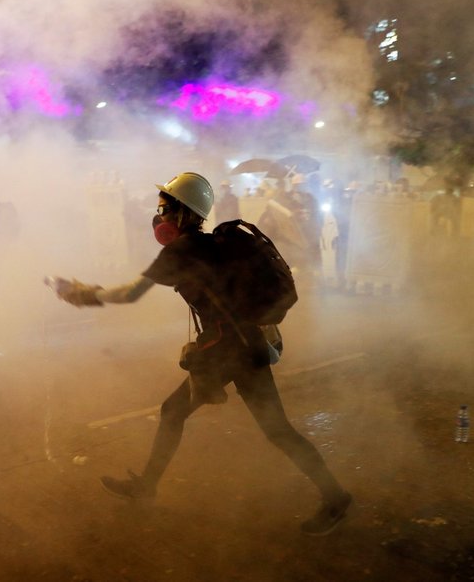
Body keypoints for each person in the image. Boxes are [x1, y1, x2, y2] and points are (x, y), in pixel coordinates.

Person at [49, 172, 351, 536]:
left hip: (230, 351)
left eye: (164, 208)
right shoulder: (211, 244)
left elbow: (130, 294)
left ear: (181, 212)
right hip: (241, 345)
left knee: (219, 420)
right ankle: (147, 487)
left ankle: (335, 498)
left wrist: (83, 295)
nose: (158, 217)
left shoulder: (182, 249)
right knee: (253, 426)